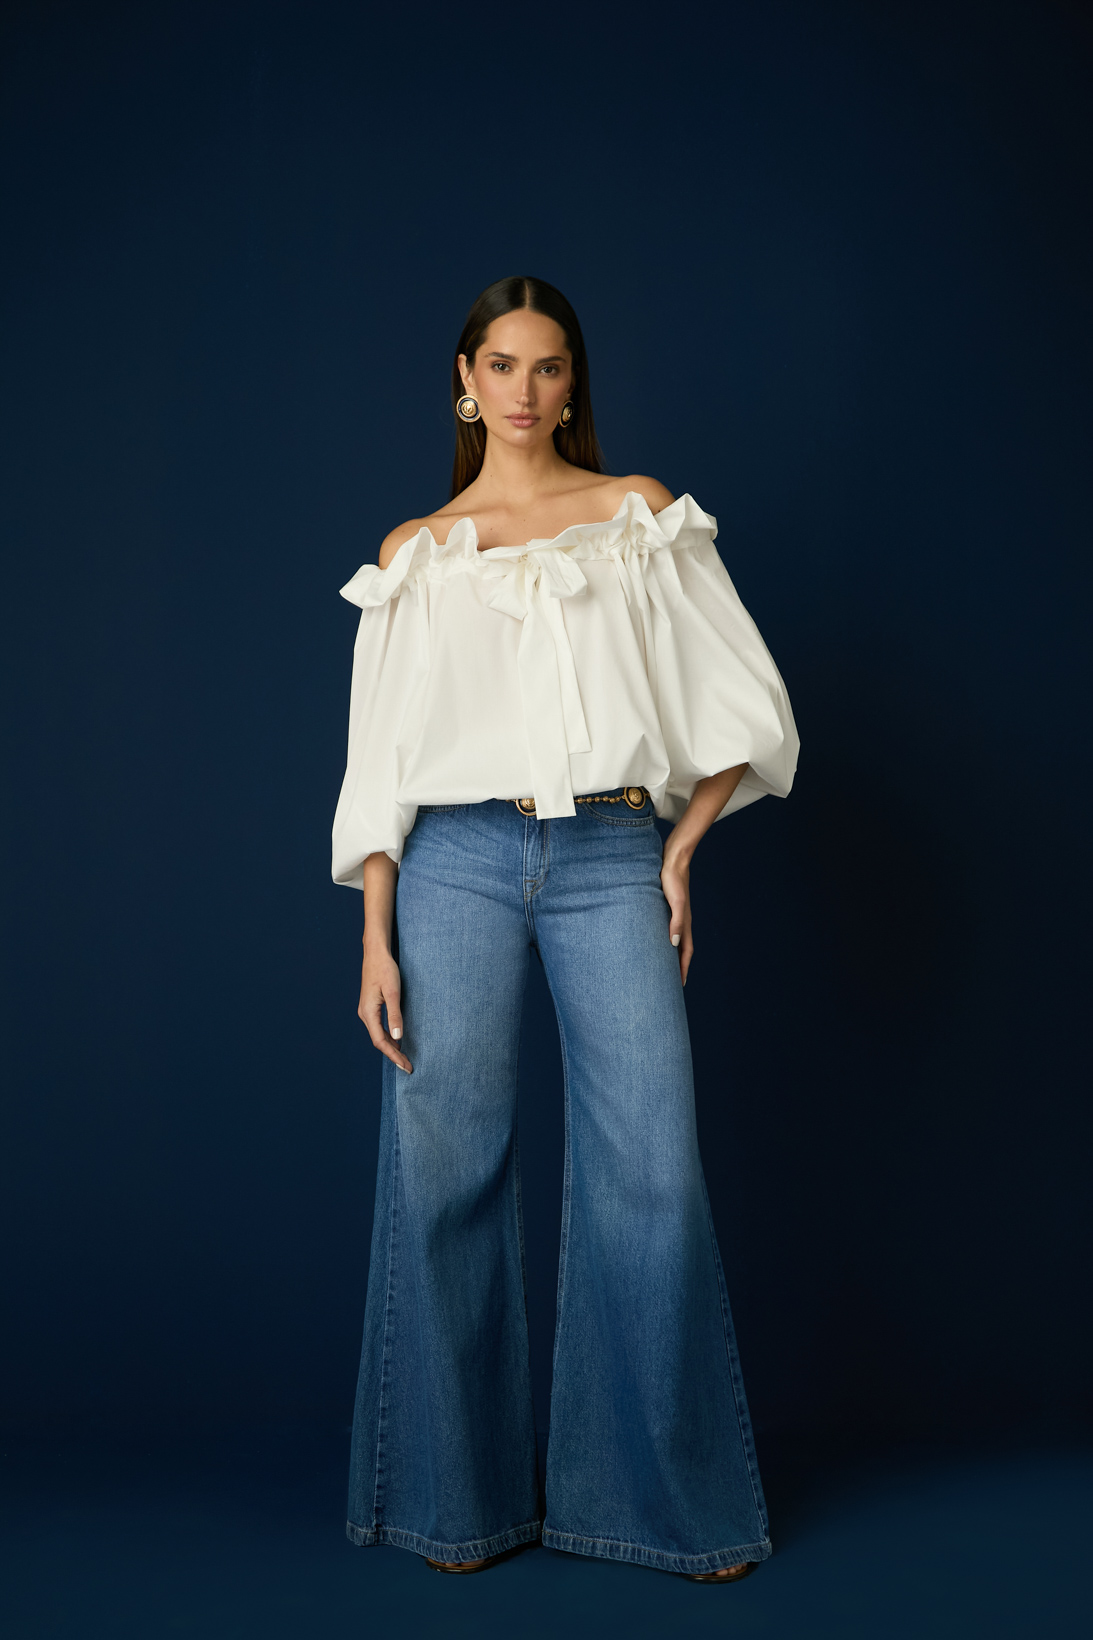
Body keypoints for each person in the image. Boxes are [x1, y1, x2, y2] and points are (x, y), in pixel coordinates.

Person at [331, 276, 798, 1582]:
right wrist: (374, 936)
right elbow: (382, 763)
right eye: (501, 365)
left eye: (547, 367)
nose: (524, 391)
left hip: (607, 853)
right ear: (463, 381)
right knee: (444, 1170)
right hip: (451, 862)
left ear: (571, 382)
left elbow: (746, 702)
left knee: (650, 1167)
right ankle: (453, 1508)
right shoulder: (419, 552)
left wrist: (682, 848)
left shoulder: (634, 517)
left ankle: (665, 1511)